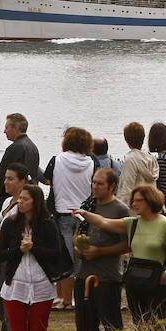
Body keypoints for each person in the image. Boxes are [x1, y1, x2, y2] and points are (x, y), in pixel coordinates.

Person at [73, 185, 166, 326]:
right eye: (133, 200)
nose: (134, 204)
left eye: (139, 200)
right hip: (135, 279)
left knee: (156, 323)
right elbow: (103, 222)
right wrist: (84, 213)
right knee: (139, 323)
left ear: (151, 200)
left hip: (156, 280)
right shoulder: (132, 223)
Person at [0, 184, 61, 331]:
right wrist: (19, 250)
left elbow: (56, 253)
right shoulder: (9, 224)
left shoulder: (48, 223)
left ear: (36, 202)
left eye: (25, 199)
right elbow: (1, 254)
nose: (20, 202)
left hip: (42, 285)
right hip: (16, 285)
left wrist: (33, 248)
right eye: (20, 198)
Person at [73, 168, 129, 331]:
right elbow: (76, 235)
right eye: (93, 182)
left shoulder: (120, 209)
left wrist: (100, 251)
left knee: (112, 327)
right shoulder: (87, 205)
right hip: (83, 275)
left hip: (107, 277)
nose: (94, 187)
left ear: (112, 186)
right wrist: (79, 248)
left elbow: (127, 245)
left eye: (100, 183)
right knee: (84, 328)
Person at [44, 127, 95, 311]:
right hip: (84, 215)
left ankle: (65, 298)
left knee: (64, 257)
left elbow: (47, 179)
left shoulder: (56, 160)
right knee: (81, 257)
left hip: (61, 213)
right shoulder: (92, 162)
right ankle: (81, 295)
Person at [0, 163, 32, 331]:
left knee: (10, 312)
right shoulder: (6, 203)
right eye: (5, 177)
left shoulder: (26, 207)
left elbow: (19, 233)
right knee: (1, 311)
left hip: (13, 261)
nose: (5, 182)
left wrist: (2, 235)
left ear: (23, 181)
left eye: (10, 178)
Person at [0, 113, 40, 212]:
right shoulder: (33, 147)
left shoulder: (14, 148)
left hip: (11, 198)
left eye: (7, 127)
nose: (4, 131)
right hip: (29, 197)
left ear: (16, 128)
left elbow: (2, 174)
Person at [117, 122, 159, 210]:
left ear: (126, 140)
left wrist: (120, 210)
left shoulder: (131, 160)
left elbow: (127, 189)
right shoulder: (151, 157)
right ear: (143, 138)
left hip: (136, 210)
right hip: (150, 206)